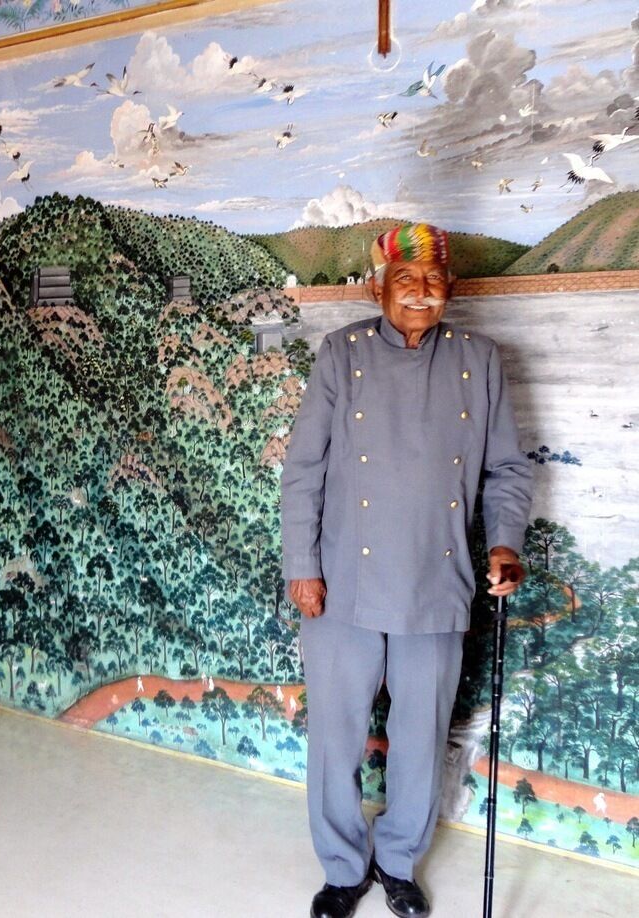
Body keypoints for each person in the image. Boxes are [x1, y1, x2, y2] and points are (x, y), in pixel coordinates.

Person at [280, 223, 533, 918]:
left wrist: (505, 545)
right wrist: (302, 565)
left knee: (420, 738)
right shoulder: (342, 353)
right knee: (336, 736)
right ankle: (341, 870)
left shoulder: (479, 359)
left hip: (436, 579)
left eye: (432, 281)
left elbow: (508, 470)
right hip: (342, 581)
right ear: (377, 289)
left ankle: (397, 864)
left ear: (450, 288)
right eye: (405, 281)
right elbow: (303, 470)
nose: (420, 293)